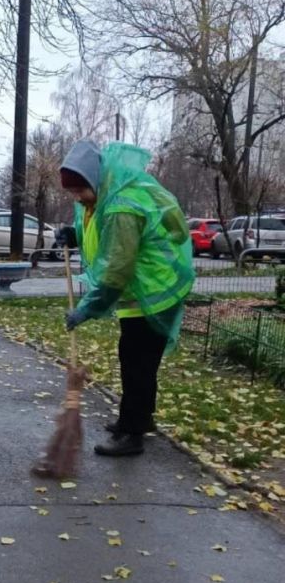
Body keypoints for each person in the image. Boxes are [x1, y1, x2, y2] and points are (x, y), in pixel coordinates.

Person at [56, 140, 194, 458]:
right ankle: (137, 418)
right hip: (143, 290)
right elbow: (105, 236)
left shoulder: (123, 205)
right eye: (72, 192)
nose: (77, 197)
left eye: (79, 190)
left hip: (154, 291)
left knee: (138, 363)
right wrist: (74, 234)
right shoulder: (108, 195)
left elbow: (116, 269)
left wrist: (87, 309)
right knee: (136, 358)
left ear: (93, 180)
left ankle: (132, 434)